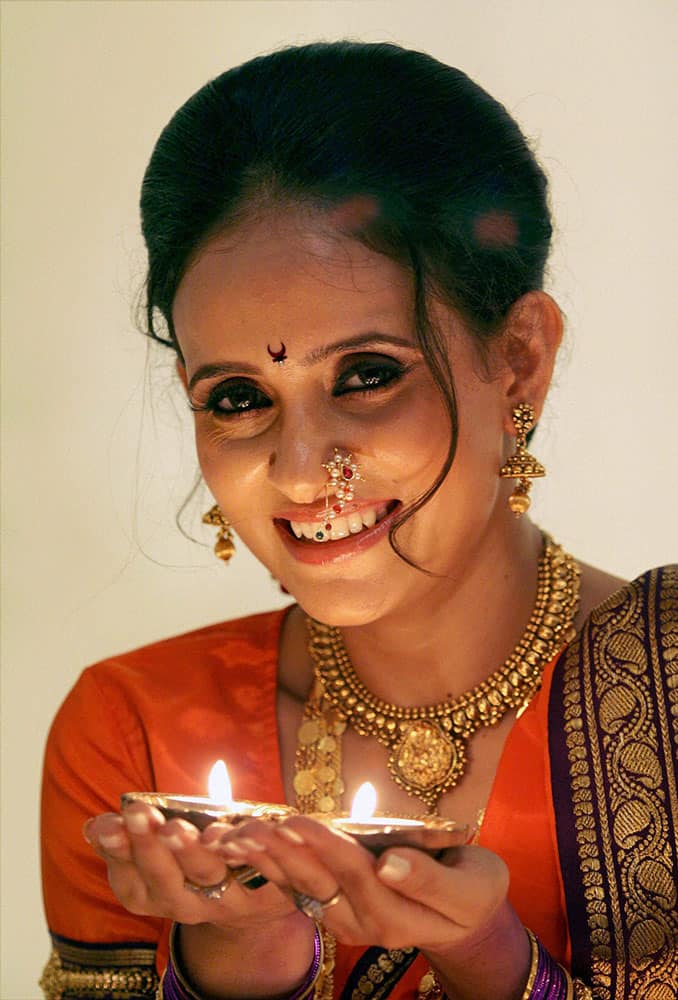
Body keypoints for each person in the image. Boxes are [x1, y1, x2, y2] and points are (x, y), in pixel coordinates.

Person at [39, 41, 677, 1000]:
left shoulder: (664, 691)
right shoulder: (139, 739)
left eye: (369, 376)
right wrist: (244, 951)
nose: (300, 474)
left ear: (519, 358)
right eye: (237, 397)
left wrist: (496, 966)